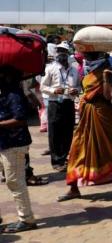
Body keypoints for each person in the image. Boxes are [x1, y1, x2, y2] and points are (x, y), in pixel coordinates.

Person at [57, 52, 112, 201]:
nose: (86, 59)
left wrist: (107, 79)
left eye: (89, 56)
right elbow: (87, 90)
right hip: (87, 115)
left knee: (108, 150)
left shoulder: (108, 72)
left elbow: (107, 96)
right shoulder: (90, 72)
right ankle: (73, 187)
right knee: (77, 149)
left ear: (97, 57)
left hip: (102, 115)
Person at [0, 66, 37, 233]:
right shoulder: (4, 92)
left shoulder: (13, 93)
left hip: (14, 143)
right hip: (4, 142)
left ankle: (26, 219)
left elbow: (20, 119)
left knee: (15, 182)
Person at [40, 42, 80, 172]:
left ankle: (63, 158)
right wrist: (53, 90)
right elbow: (42, 87)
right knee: (55, 133)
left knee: (68, 132)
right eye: (60, 51)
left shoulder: (74, 69)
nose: (62, 54)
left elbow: (79, 86)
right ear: (56, 53)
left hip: (69, 102)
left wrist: (76, 90)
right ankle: (56, 161)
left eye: (64, 51)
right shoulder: (50, 68)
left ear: (69, 53)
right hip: (55, 103)